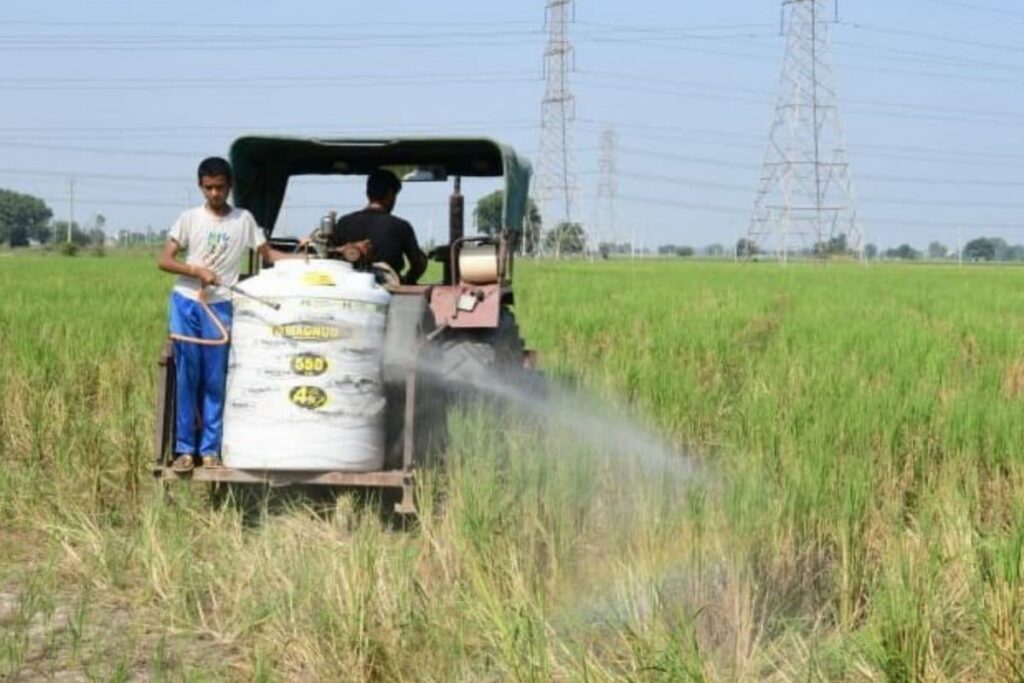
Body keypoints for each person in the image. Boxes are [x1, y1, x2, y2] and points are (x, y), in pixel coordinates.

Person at [157, 156, 292, 471]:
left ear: (230, 187)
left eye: (220, 188)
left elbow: (268, 254)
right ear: (200, 187)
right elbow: (164, 260)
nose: (215, 194)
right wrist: (195, 269)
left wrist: (303, 257)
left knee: (216, 380)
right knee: (189, 376)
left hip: (220, 306)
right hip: (188, 302)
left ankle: (211, 450)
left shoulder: (243, 220)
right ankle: (185, 449)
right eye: (209, 188)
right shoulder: (189, 219)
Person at [329, 169, 428, 284]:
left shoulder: (343, 223)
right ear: (391, 194)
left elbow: (330, 258)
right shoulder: (401, 226)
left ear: (367, 193)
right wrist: (408, 280)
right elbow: (418, 264)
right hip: (389, 291)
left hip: (349, 286)